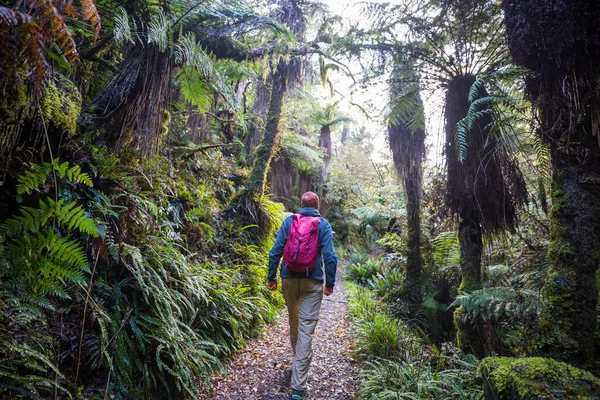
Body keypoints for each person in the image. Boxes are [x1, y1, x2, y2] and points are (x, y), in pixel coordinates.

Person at [267, 191, 337, 400]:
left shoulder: (290, 221)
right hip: (312, 281)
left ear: (301, 204)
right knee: (306, 328)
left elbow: (275, 251)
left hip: (288, 279)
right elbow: (330, 256)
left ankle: (297, 360)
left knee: (294, 321)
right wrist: (329, 283)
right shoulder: (322, 224)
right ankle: (298, 386)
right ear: (317, 205)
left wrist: (271, 277)